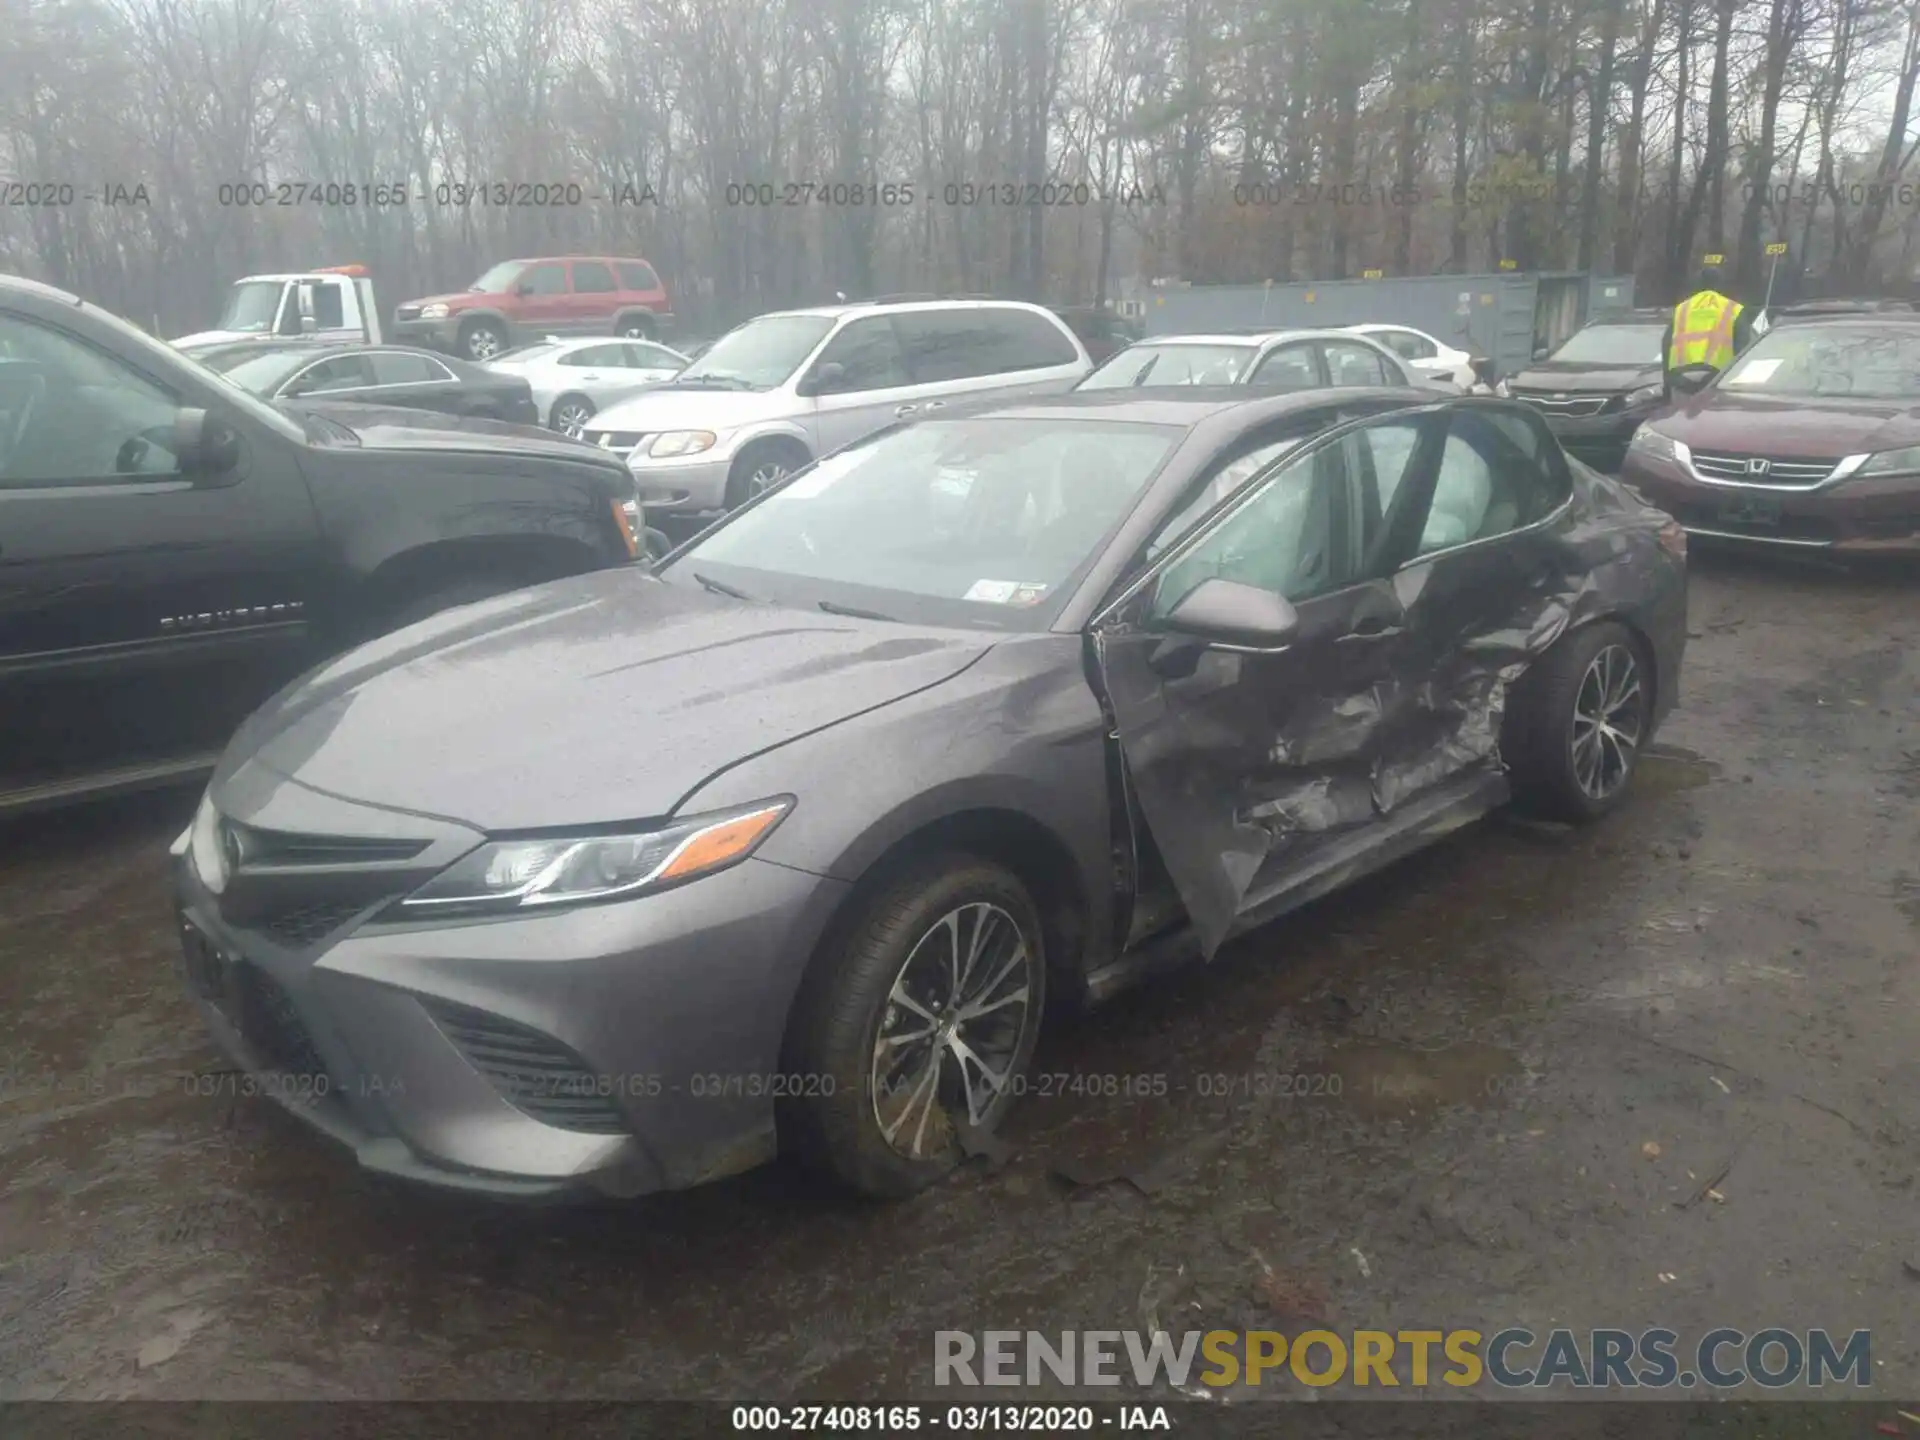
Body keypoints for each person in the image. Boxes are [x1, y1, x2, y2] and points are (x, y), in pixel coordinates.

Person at [1662, 264, 1757, 391]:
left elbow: (1666, 344)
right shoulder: (1733, 308)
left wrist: (1668, 381)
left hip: (1681, 378)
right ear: (1721, 284)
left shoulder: (1682, 308)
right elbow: (1743, 348)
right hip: (1717, 378)